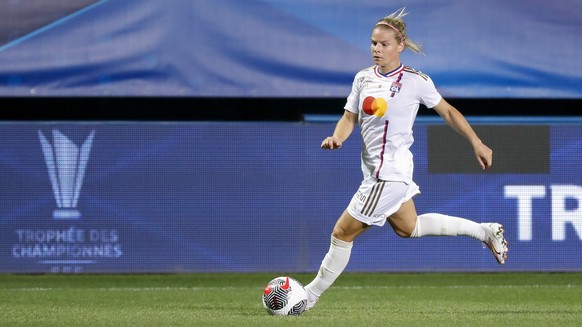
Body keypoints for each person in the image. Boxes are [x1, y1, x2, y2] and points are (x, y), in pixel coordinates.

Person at [304, 8, 508, 310]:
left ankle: (308, 296)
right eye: (374, 43)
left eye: (384, 44)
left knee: (342, 232)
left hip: (389, 175)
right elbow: (349, 117)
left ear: (400, 46)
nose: (377, 49)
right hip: (376, 173)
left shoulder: (416, 81)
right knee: (407, 227)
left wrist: (477, 142)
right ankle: (484, 231)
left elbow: (449, 112)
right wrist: (338, 137)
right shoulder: (363, 79)